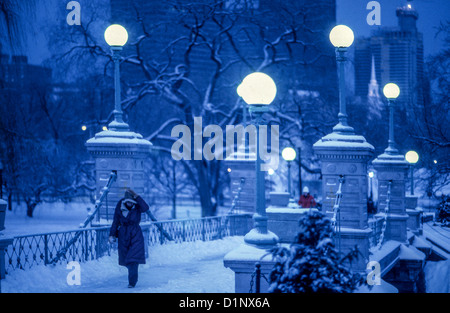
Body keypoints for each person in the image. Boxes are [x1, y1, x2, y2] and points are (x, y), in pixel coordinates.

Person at [109, 189, 149, 288]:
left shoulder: (138, 206)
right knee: (126, 259)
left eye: (132, 202)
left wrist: (137, 196)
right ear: (125, 201)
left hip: (136, 234)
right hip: (123, 235)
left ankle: (132, 282)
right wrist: (112, 234)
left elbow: (146, 208)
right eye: (128, 202)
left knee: (133, 259)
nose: (130, 204)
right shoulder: (119, 207)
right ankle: (132, 274)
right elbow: (115, 221)